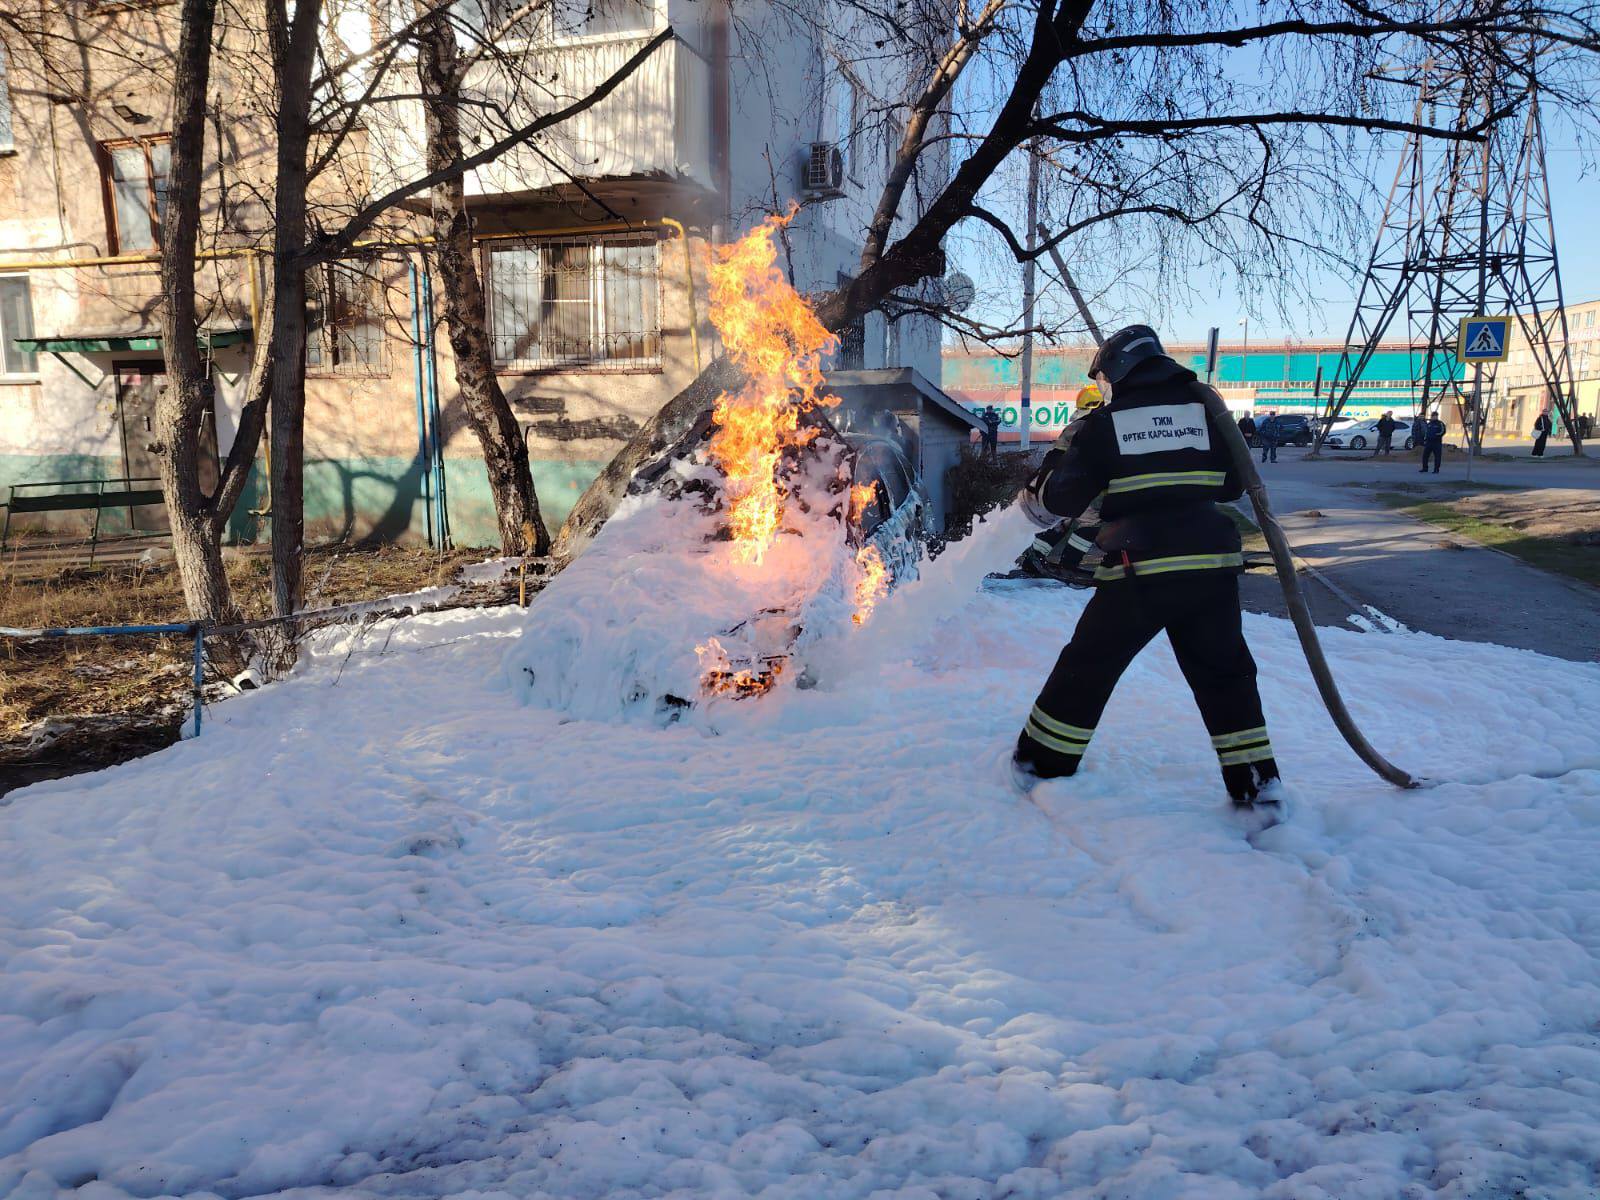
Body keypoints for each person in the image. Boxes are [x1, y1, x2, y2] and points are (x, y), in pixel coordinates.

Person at [1011, 324, 1281, 809]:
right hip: (1210, 567)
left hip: (1141, 568)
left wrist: (1055, 463)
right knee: (1226, 676)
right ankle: (1257, 787)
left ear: (1117, 370)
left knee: (1089, 666)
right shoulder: (1209, 409)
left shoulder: (1107, 423)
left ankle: (1040, 764)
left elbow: (1060, 497)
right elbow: (1232, 487)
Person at [1011, 384, 1106, 583]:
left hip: (1062, 485)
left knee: (1061, 521)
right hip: (1082, 485)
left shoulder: (1077, 425)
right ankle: (1069, 564)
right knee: (1091, 522)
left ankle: (1033, 560)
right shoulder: (1095, 425)